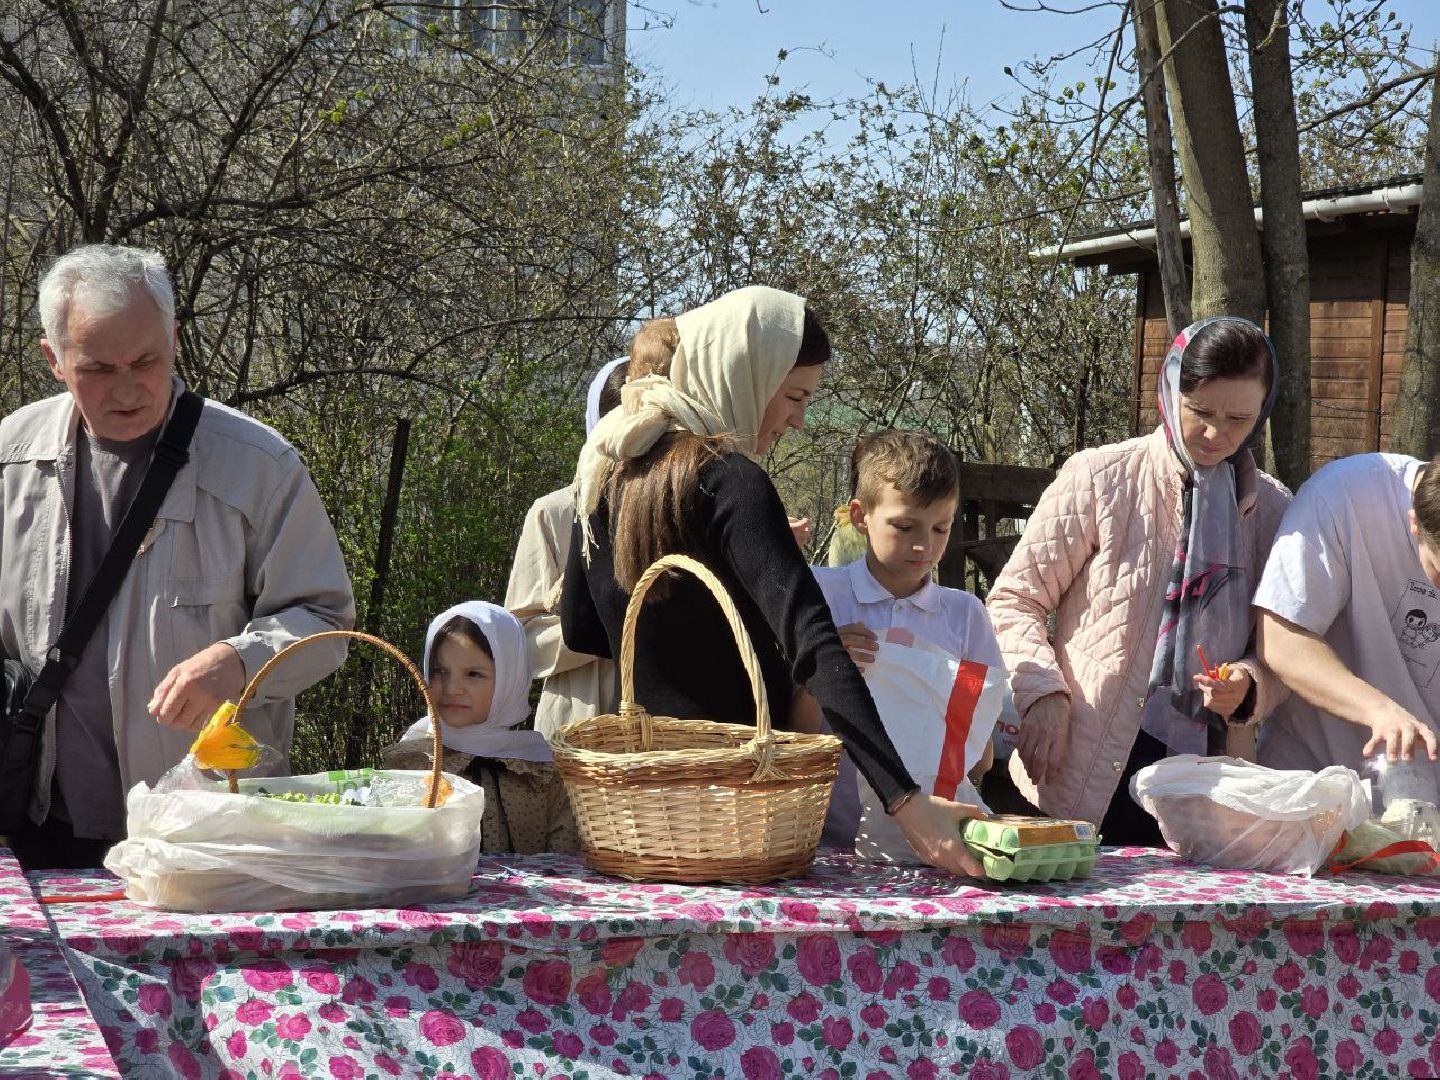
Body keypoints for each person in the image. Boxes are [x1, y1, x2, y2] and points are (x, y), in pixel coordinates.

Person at [561, 285, 984, 875]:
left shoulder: (608, 472)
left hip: (647, 813)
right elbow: (814, 644)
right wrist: (907, 804)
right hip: (742, 810)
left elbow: (583, 629)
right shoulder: (733, 484)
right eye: (793, 396)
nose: (799, 420)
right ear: (746, 372)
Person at [0, 244, 355, 870]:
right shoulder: (10, 461)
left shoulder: (259, 467)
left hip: (205, 827)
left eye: (147, 360)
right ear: (54, 359)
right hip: (39, 827)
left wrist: (240, 661)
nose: (129, 387)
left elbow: (326, 623)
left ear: (174, 338)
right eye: (100, 368)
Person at [986, 316, 1290, 843]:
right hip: (1084, 758)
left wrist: (1248, 684)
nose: (1216, 434)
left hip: (1207, 778)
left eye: (1239, 419)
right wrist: (1042, 692)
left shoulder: (1271, 510)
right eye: (1201, 412)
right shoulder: (1100, 478)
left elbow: (1289, 647)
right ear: (1171, 392)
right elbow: (1014, 600)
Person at [807, 430, 1006, 848]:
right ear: (861, 516)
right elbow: (793, 726)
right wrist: (823, 661)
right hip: (820, 840)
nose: (924, 545)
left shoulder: (966, 615)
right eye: (904, 526)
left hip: (929, 846)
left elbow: (980, 754)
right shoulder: (820, 594)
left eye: (940, 528)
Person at [1252, 451, 1440, 781]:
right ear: (1414, 523)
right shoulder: (1345, 495)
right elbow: (1281, 639)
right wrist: (1377, 709)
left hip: (1425, 804)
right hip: (1316, 782)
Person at [382, 602, 579, 855]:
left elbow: (566, 858)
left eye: (473, 674)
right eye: (440, 671)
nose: (452, 688)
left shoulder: (541, 772)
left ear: (511, 679)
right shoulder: (412, 765)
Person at [504, 356, 628, 739]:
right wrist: (607, 631)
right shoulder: (554, 513)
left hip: (664, 724)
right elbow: (520, 640)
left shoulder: (682, 511)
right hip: (575, 721)